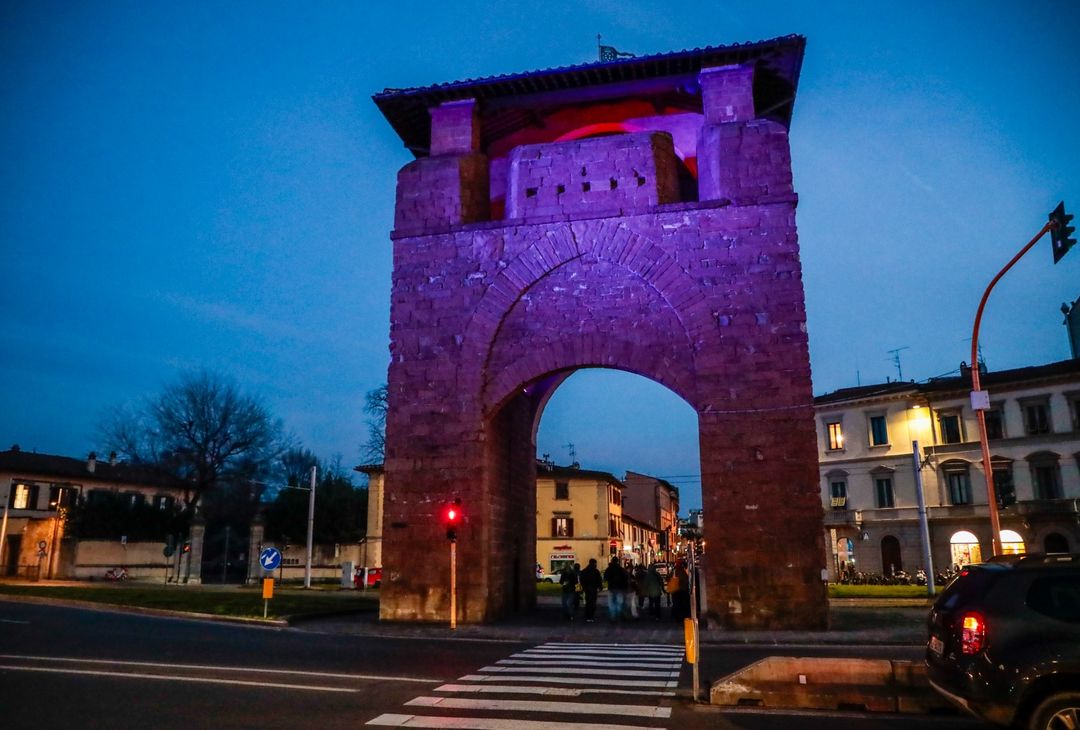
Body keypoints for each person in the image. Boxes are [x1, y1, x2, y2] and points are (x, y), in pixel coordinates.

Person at [603, 557, 628, 622]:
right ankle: (620, 615)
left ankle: (613, 617)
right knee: (620, 602)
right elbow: (625, 578)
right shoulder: (621, 569)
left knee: (611, 603)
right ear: (617, 561)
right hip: (620, 588)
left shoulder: (609, 569)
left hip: (611, 587)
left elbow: (605, 578)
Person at [578, 558, 603, 622]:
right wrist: (600, 587)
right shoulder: (596, 571)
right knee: (592, 603)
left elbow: (582, 580)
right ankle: (590, 616)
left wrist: (584, 587)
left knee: (588, 603)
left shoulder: (584, 571)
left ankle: (587, 616)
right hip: (593, 589)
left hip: (587, 589)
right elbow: (599, 580)